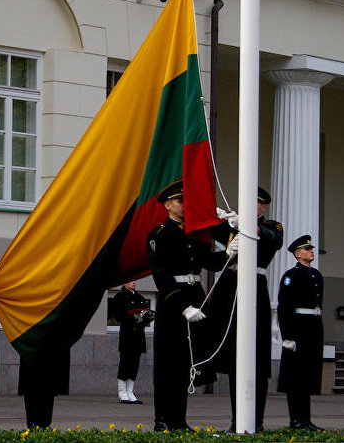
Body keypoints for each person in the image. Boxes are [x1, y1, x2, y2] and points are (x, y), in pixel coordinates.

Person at [206, 187, 283, 432]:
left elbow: (272, 239)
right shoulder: (232, 224)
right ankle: (236, 420)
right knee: (233, 360)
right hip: (231, 288)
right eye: (251, 202)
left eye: (259, 204)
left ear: (263, 208)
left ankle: (256, 421)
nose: (256, 207)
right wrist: (220, 217)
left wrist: (248, 226)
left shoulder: (272, 225)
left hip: (255, 287)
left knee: (256, 360)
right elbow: (209, 228)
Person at [147, 180, 217, 432]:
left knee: (186, 363)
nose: (185, 205)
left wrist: (233, 249)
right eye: (180, 201)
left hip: (195, 296)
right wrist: (182, 306)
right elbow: (162, 275)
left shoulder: (193, 233)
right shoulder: (159, 234)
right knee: (168, 363)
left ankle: (179, 421)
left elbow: (210, 261)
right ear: (168, 205)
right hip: (173, 303)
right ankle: (162, 420)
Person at [276, 234, 324, 431]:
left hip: (313, 327)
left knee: (308, 376)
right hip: (298, 329)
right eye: (306, 249)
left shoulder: (316, 275)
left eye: (311, 248)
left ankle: (306, 419)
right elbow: (284, 307)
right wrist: (287, 336)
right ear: (297, 254)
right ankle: (296, 420)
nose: (311, 251)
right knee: (296, 378)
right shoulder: (291, 275)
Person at [112, 281, 151, 404]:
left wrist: (145, 317)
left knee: (135, 363)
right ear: (124, 283)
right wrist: (133, 315)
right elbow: (118, 316)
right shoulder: (120, 297)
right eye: (131, 280)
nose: (134, 282)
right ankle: (122, 392)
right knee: (125, 362)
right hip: (127, 334)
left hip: (138, 335)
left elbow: (146, 313)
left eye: (135, 280)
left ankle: (130, 391)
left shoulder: (139, 297)